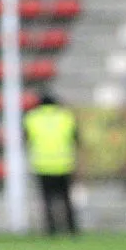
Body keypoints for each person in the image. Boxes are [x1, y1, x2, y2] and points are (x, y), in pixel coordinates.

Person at [23, 91, 79, 235]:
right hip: (64, 164)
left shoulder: (32, 118)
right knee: (66, 199)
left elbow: (26, 140)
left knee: (47, 200)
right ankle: (71, 228)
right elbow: (75, 139)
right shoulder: (66, 117)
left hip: (42, 165)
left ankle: (51, 229)